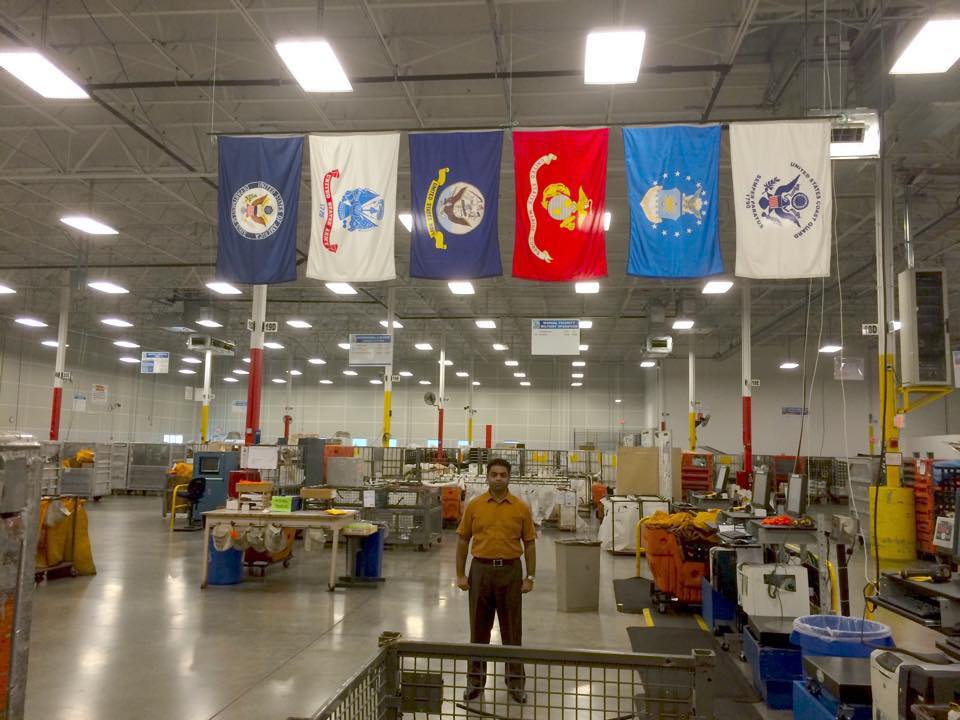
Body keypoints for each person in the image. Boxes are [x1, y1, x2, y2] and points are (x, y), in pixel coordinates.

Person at [456, 458, 537, 704]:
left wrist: (530, 576)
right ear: (487, 477)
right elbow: (462, 540)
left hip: (511, 572)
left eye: (503, 474)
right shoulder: (475, 506)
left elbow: (530, 543)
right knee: (479, 628)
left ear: (509, 477)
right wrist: (461, 574)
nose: (498, 478)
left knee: (512, 631)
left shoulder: (521, 508)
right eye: (494, 474)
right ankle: (475, 681)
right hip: (480, 570)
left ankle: (515, 683)